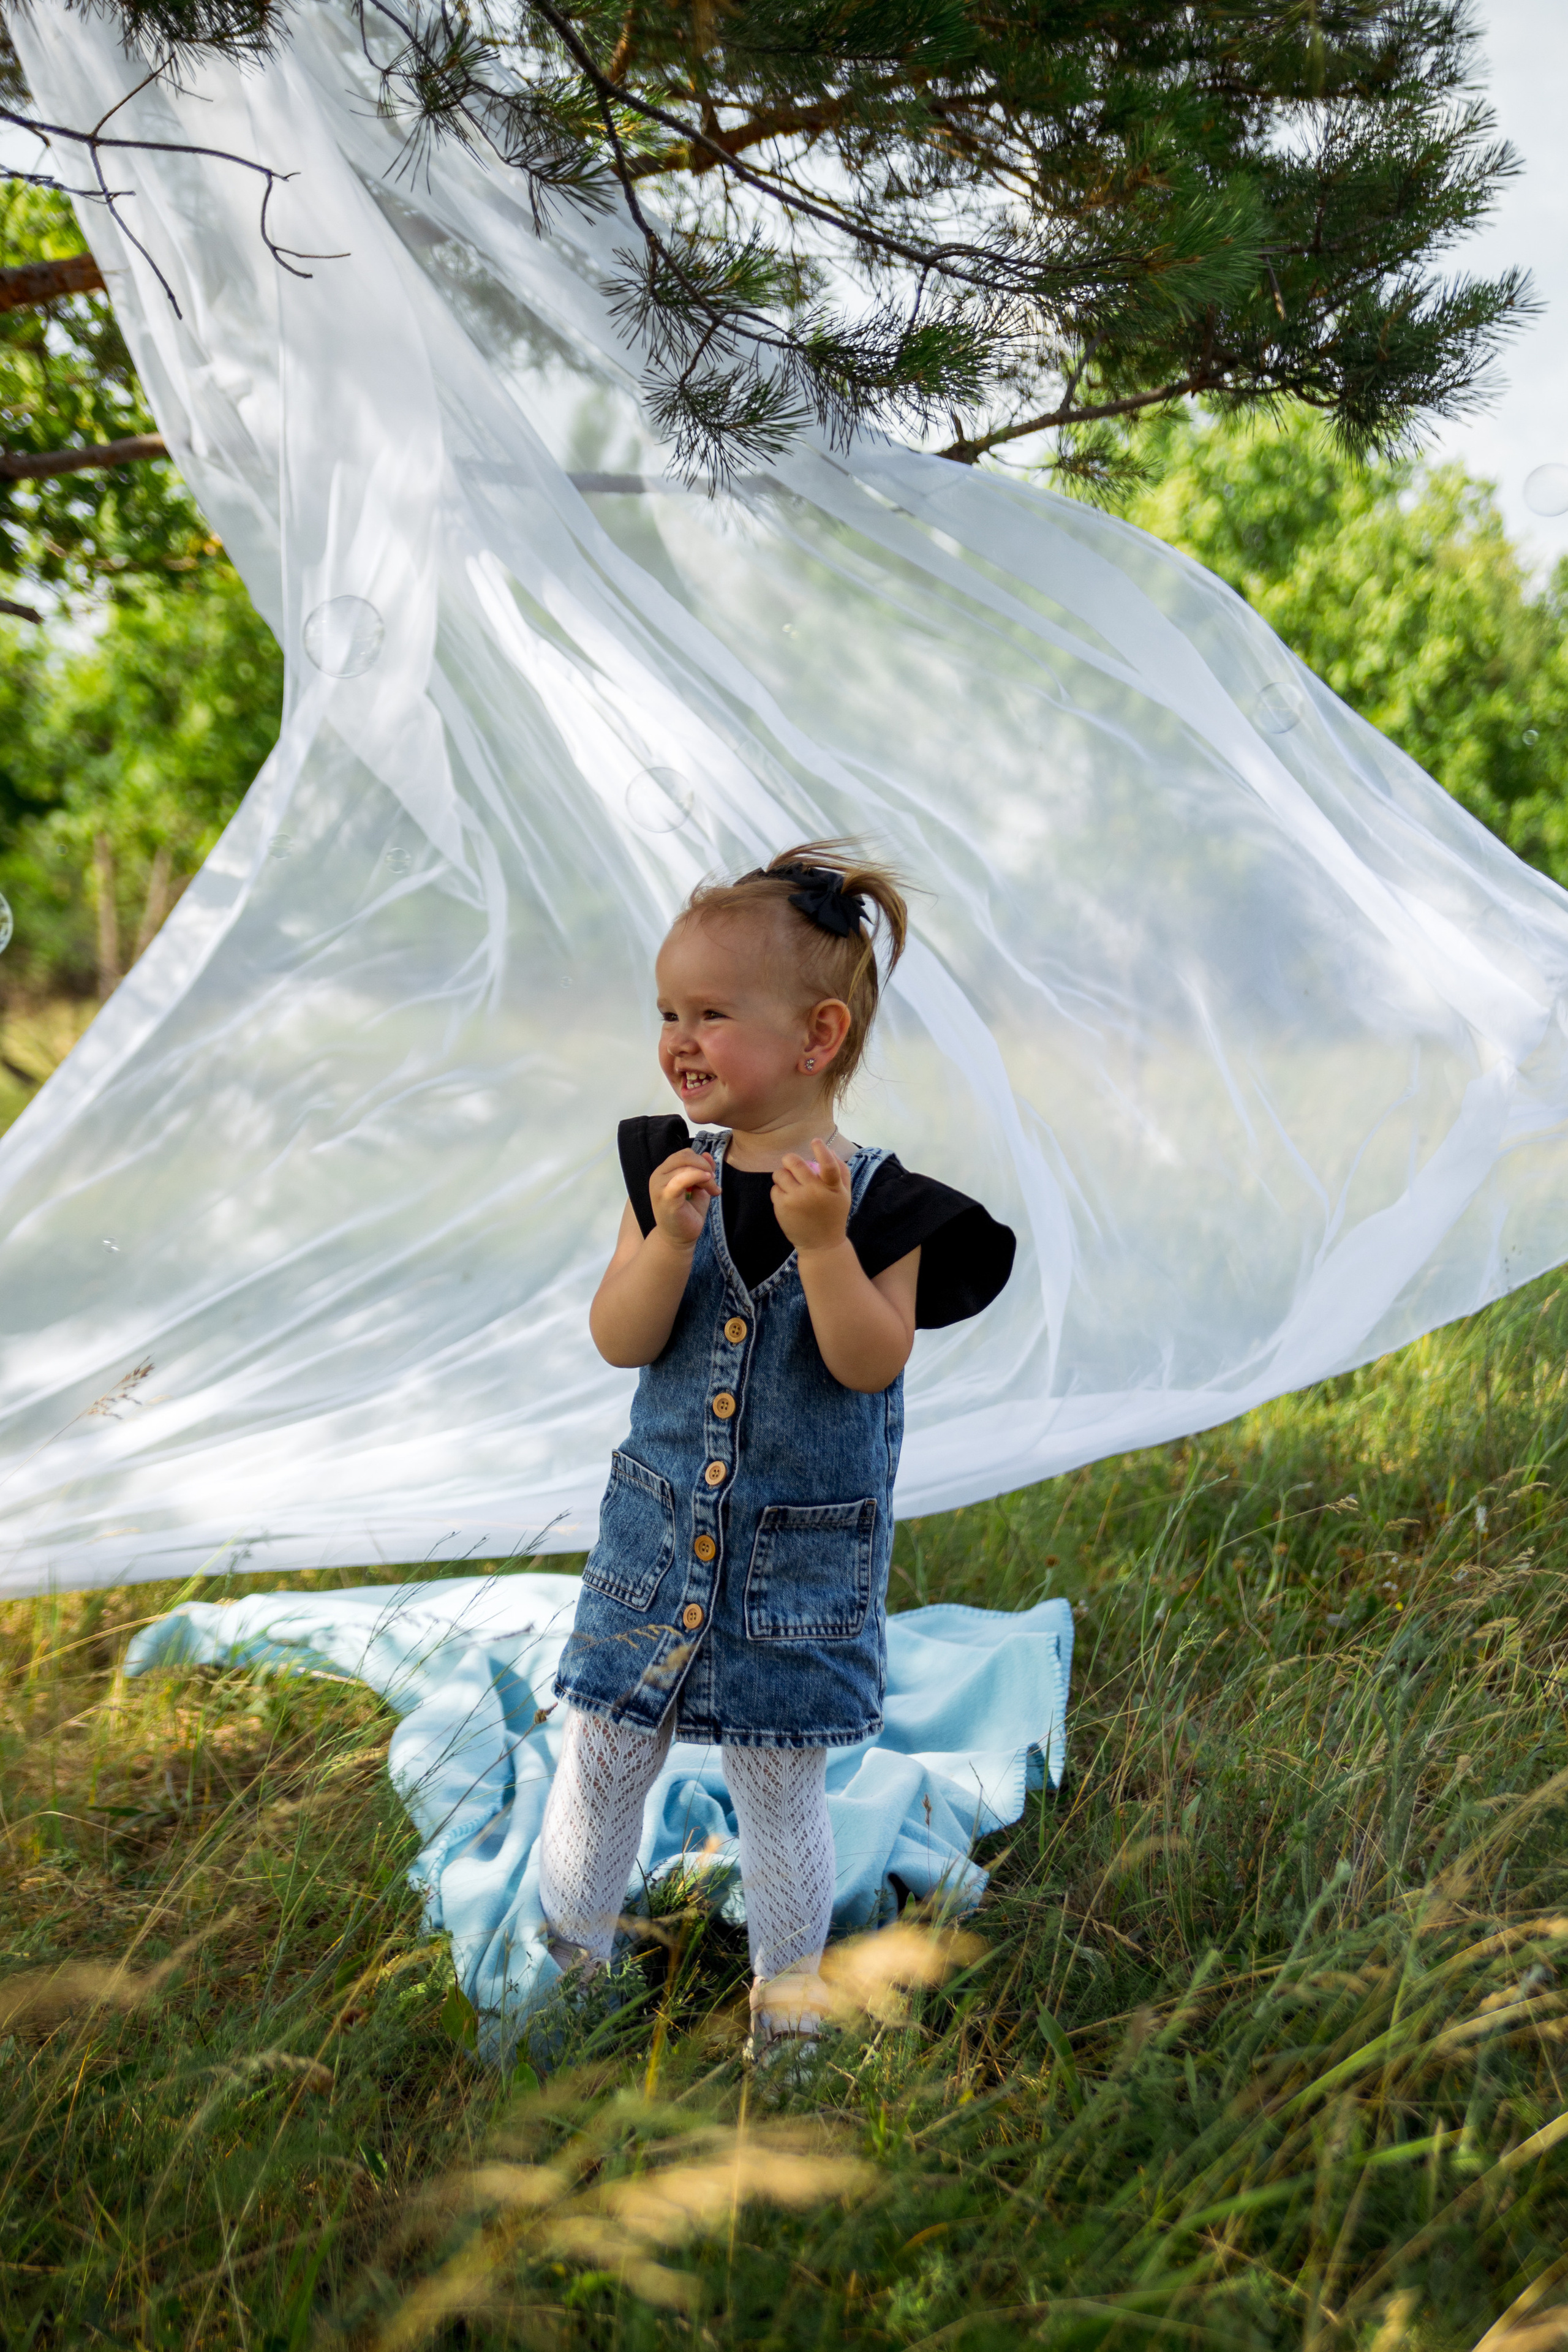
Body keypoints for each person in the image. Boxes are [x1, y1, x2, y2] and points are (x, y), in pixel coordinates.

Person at [537, 842, 1016, 2066]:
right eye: (667, 1013)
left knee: (776, 1787)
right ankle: (567, 1972)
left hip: (792, 1566)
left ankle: (788, 2014)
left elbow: (868, 1361)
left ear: (816, 1036)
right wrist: (664, 1244)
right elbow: (619, 1338)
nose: (678, 1039)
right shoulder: (664, 1171)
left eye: (710, 1014)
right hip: (655, 1542)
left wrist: (824, 1247)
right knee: (603, 1753)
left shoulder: (882, 1206)